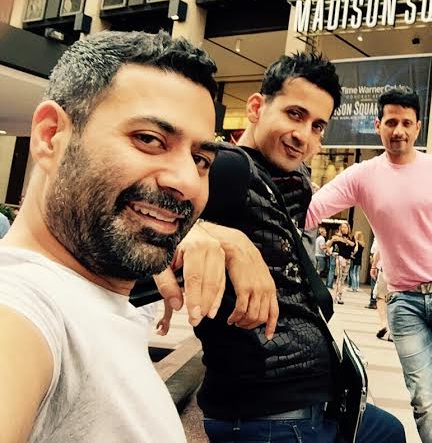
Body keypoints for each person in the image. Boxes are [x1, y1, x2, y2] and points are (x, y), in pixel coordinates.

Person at [0, 31, 272, 441]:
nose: (187, 181)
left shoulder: (104, 295)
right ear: (50, 136)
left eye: (201, 159)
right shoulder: (23, 306)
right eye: (149, 140)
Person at [190, 52, 404, 443]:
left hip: (311, 401)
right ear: (256, 108)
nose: (304, 136)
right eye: (294, 114)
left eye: (317, 126)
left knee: (389, 432)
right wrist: (204, 232)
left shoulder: (288, 178)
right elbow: (144, 221)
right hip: (270, 414)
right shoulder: (229, 168)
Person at [306, 87, 432, 443]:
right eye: (391, 122)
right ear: (378, 125)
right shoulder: (362, 175)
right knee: (425, 400)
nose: (399, 131)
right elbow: (311, 210)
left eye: (407, 123)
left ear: (418, 127)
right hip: (405, 303)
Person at [326, 222, 355, 304]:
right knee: (339, 277)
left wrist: (346, 240)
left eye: (346, 227)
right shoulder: (337, 237)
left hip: (348, 259)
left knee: (343, 279)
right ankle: (338, 297)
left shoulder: (351, 237)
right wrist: (330, 251)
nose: (344, 229)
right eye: (342, 227)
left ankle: (337, 296)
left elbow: (353, 245)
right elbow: (327, 245)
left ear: (348, 228)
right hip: (340, 258)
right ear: (340, 228)